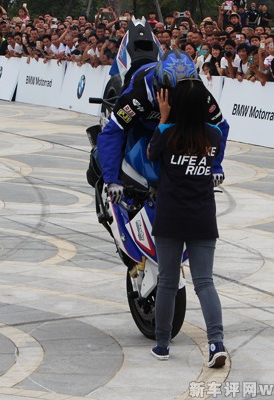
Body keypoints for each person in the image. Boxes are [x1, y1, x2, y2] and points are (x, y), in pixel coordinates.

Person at [147, 78, 227, 368]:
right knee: (204, 282)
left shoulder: (167, 133)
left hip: (170, 216)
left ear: (175, 104)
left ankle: (162, 344)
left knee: (167, 282)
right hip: (202, 217)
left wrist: (163, 118)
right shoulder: (214, 135)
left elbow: (151, 155)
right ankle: (216, 343)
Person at [97, 49, 229, 202]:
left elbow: (220, 126)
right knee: (122, 140)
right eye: (173, 92)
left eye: (183, 91)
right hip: (142, 121)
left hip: (174, 125)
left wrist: (215, 166)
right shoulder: (139, 92)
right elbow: (114, 131)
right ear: (159, 85)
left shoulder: (197, 91)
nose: (178, 98)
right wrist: (112, 180)